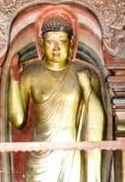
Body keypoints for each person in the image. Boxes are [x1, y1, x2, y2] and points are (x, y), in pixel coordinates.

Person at [8, 13, 105, 182]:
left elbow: (95, 122)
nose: (56, 48)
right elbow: (17, 120)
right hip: (41, 155)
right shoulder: (31, 74)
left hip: (71, 154)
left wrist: (87, 87)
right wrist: (15, 80)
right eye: (50, 42)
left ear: (72, 43)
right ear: (41, 43)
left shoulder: (84, 74)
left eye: (61, 41)